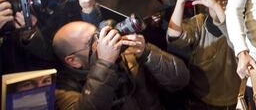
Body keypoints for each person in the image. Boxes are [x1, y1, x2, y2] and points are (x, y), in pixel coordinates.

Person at [53, 21, 190, 110]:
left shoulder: (129, 53)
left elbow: (181, 80)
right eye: (92, 42)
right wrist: (105, 64)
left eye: (98, 34)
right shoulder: (62, 89)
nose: (103, 41)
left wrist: (147, 53)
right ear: (73, 60)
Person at [167, 0, 240, 109]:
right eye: (214, 1)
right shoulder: (200, 23)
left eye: (223, 2)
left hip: (230, 102)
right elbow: (174, 37)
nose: (217, 5)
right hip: (200, 100)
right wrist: (181, 1)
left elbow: (235, 41)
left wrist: (216, 7)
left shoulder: (238, 27)